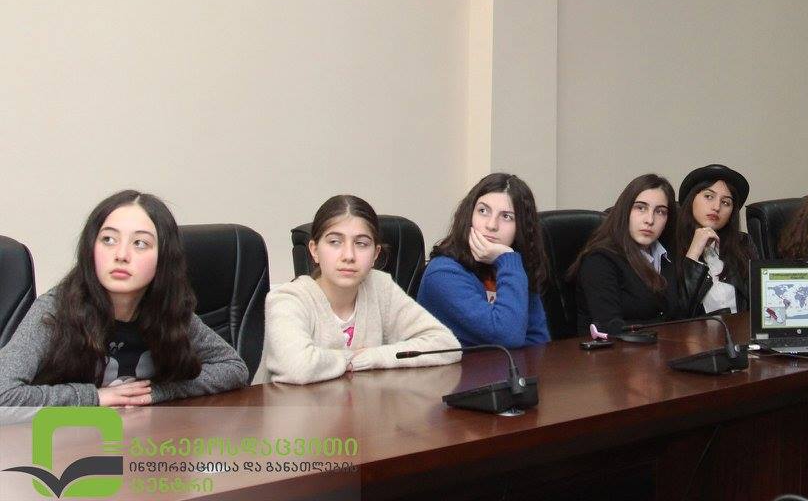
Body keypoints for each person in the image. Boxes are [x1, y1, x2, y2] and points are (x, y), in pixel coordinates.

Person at [0, 190, 248, 406]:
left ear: (164, 258)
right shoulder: (55, 310)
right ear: (91, 249)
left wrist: (157, 392)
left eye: (140, 243)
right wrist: (95, 397)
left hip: (144, 437)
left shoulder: (168, 310)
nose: (121, 255)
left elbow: (234, 368)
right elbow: (4, 394)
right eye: (108, 240)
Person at [256, 195, 459, 385]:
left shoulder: (380, 287)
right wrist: (351, 358)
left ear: (375, 254)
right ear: (314, 250)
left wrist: (373, 357)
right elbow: (297, 367)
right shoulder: (287, 299)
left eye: (361, 244)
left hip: (364, 407)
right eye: (335, 242)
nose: (349, 255)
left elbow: (447, 345)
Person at [418, 173, 550, 348]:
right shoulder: (443, 273)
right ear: (469, 216)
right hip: (457, 367)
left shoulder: (512, 268)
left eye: (506, 216)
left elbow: (538, 341)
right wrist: (508, 260)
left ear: (521, 227)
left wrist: (508, 263)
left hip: (509, 366)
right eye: (483, 211)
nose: (491, 225)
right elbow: (506, 336)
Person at [567, 173, 705, 335]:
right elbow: (610, 327)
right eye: (641, 208)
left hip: (665, 347)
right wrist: (668, 327)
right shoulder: (599, 260)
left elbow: (685, 315)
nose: (650, 220)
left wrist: (693, 257)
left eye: (660, 212)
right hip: (616, 350)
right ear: (625, 211)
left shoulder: (666, 256)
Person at [676, 164, 757, 314]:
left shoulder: (743, 244)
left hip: (740, 328)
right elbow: (678, 314)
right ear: (691, 199)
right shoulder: (668, 247)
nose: (716, 207)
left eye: (726, 202)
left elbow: (760, 302)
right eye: (709, 196)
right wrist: (693, 254)